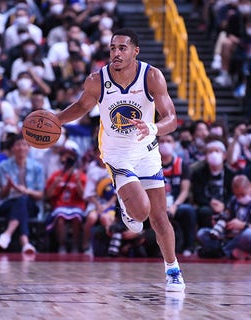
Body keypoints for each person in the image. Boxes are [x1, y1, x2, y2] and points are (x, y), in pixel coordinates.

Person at [55, 28, 185, 292]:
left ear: (135, 51)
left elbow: (172, 118)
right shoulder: (96, 80)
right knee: (140, 212)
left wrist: (155, 128)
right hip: (116, 154)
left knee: (160, 219)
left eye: (122, 48)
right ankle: (128, 208)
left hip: (147, 149)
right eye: (113, 48)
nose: (116, 53)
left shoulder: (151, 76)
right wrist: (55, 120)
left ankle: (173, 269)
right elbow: (80, 108)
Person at [197, 175, 251, 260]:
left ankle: (223, 252)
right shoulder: (234, 200)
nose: (240, 198)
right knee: (202, 233)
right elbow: (226, 217)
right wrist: (219, 221)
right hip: (233, 237)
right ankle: (237, 253)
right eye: (237, 195)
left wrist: (243, 225)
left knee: (249, 234)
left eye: (242, 194)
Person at [0, 133, 43, 253]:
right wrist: (8, 187)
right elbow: (2, 195)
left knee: (23, 199)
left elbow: (40, 195)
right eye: (18, 145)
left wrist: (26, 191)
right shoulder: (3, 166)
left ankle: (7, 234)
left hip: (30, 203)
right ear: (12, 148)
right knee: (21, 202)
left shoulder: (37, 167)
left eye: (24, 145)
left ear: (29, 148)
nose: (21, 148)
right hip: (8, 203)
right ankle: (25, 242)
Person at [45, 143, 87, 253]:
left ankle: (75, 246)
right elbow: (48, 195)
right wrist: (54, 184)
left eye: (70, 155)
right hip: (60, 206)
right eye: (64, 155)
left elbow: (84, 197)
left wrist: (78, 183)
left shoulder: (80, 175)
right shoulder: (56, 175)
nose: (67, 158)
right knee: (60, 218)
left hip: (76, 206)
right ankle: (61, 246)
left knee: (76, 218)